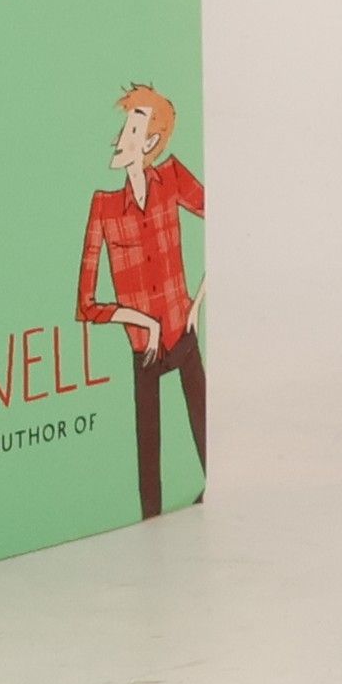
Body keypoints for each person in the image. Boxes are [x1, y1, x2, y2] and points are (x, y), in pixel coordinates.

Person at [76, 84, 208, 520]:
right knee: (148, 477)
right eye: (123, 129)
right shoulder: (104, 208)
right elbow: (86, 303)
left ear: (151, 142)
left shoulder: (172, 178)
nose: (121, 138)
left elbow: (225, 218)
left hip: (183, 334)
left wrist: (197, 303)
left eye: (132, 130)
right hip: (144, 350)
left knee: (207, 439)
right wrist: (143, 322)